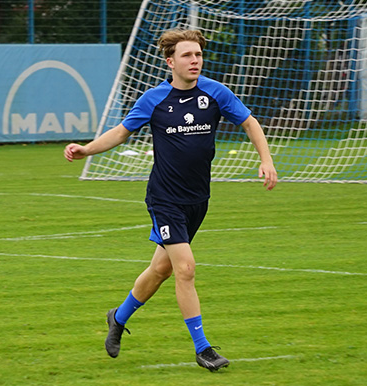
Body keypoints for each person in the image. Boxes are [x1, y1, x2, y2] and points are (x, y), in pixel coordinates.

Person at [64, 29, 277, 372]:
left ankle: (117, 317)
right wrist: (86, 149)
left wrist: (266, 160)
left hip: (198, 200)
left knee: (160, 269)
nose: (195, 61)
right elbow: (121, 132)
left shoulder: (215, 93)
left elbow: (250, 122)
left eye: (198, 55)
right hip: (164, 200)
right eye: (187, 55)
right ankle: (203, 348)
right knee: (185, 269)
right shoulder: (154, 99)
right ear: (170, 62)